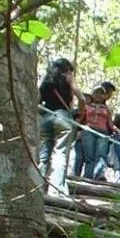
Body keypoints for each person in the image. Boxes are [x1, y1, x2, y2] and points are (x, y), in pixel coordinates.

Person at [37, 58, 75, 196]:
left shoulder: (46, 82)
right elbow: (81, 98)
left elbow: (38, 102)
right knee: (60, 154)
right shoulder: (68, 79)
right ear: (67, 70)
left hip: (46, 118)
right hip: (63, 118)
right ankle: (56, 190)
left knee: (43, 156)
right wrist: (80, 112)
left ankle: (37, 188)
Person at [76, 85, 118, 180]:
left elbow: (111, 124)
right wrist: (76, 130)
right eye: (96, 93)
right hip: (88, 132)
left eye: (101, 93)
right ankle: (88, 177)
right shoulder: (86, 107)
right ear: (93, 95)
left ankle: (99, 176)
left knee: (101, 154)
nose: (98, 95)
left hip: (102, 133)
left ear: (104, 96)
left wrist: (117, 131)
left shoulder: (107, 109)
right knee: (89, 156)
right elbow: (80, 119)